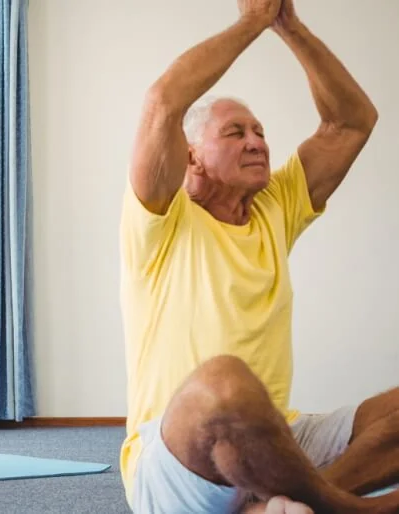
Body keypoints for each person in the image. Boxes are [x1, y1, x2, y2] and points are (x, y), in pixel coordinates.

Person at [119, 0, 398, 512]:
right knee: (223, 381)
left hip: (279, 439)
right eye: (235, 132)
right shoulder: (161, 216)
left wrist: (289, 25)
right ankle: (353, 508)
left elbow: (352, 122)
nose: (257, 142)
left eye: (261, 133)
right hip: (176, 459)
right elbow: (163, 101)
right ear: (191, 155)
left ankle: (287, 503)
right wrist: (251, 20)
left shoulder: (275, 206)